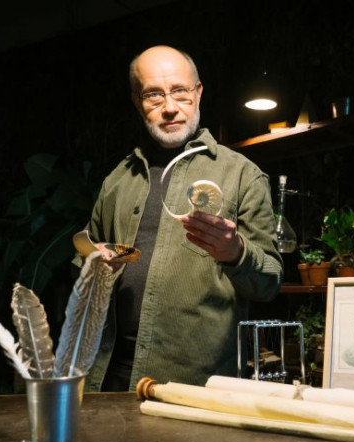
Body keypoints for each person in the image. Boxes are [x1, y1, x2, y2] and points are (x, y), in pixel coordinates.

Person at [77, 45, 283, 391]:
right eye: (154, 95)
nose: (170, 107)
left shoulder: (242, 175)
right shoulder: (117, 180)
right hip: (107, 377)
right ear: (137, 101)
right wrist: (93, 264)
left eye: (180, 92)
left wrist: (235, 253)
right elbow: (84, 265)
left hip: (193, 385)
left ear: (198, 93)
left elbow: (270, 282)